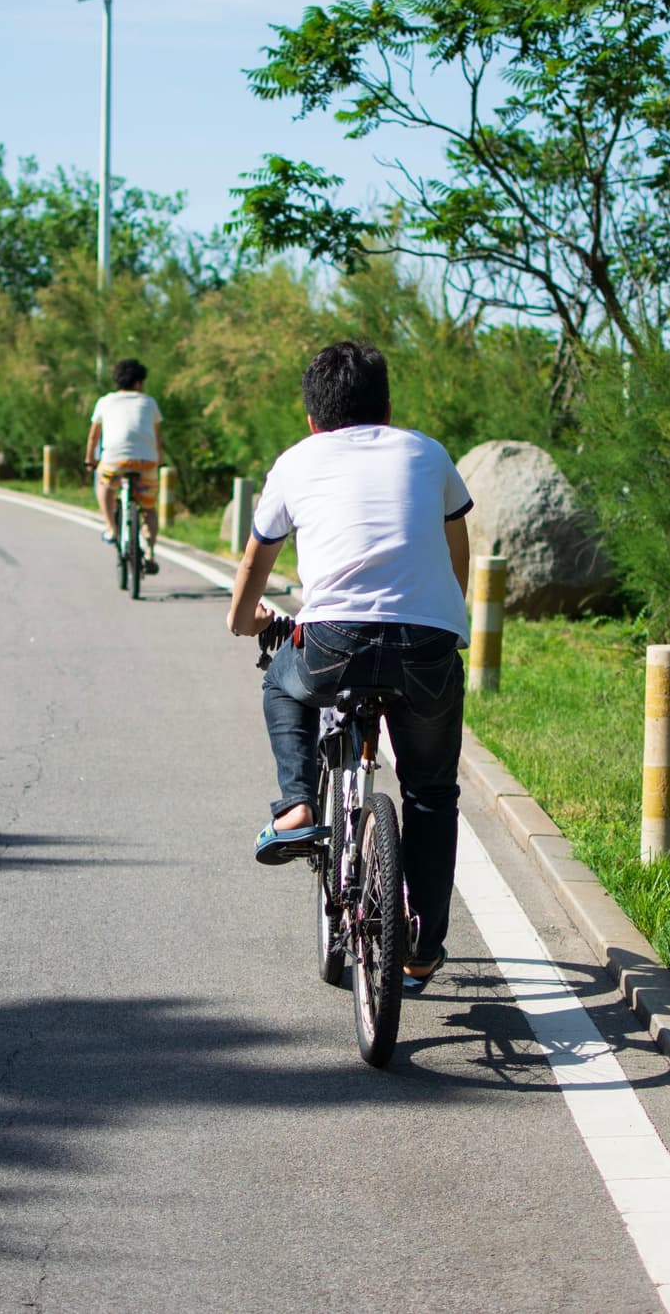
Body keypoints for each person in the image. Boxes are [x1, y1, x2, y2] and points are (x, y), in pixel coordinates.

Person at [225, 340, 472, 990]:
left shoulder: (296, 462)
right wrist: (451, 620)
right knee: (430, 792)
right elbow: (456, 549)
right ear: (387, 410)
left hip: (333, 641)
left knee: (283, 683)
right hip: (429, 646)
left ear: (312, 418)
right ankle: (422, 947)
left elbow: (257, 559)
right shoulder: (428, 452)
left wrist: (244, 619)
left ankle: (298, 807)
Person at [87, 358, 163, 575]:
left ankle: (111, 528)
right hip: (147, 461)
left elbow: (94, 437)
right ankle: (149, 552)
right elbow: (157, 439)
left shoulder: (105, 402)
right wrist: (159, 460)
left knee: (104, 485)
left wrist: (89, 460)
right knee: (148, 508)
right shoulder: (149, 402)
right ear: (139, 383)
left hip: (114, 461)